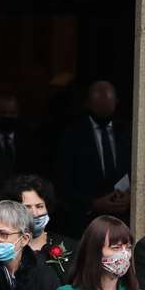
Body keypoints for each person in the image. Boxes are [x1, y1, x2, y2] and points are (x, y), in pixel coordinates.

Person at [56, 81, 130, 223]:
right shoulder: (72, 135)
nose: (104, 109)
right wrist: (93, 204)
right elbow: (63, 181)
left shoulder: (126, 132)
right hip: (85, 219)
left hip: (123, 217)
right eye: (99, 105)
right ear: (88, 104)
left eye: (108, 105)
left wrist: (131, 198)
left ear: (116, 103)